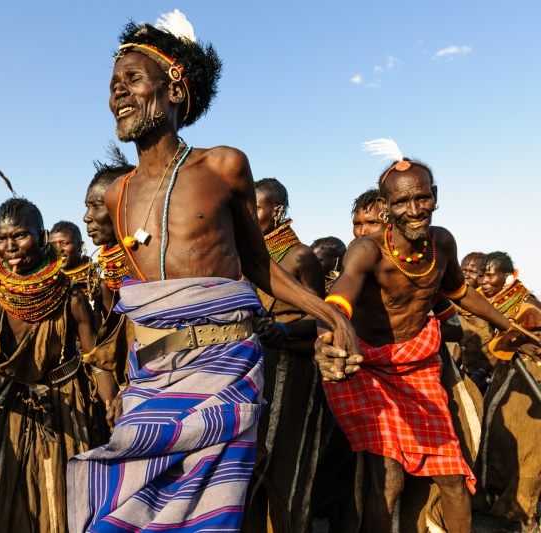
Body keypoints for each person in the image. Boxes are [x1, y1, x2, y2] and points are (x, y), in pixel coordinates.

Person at [68, 11, 360, 533]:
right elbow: (138, 291)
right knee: (121, 508)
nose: (118, 93)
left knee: (214, 517)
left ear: (175, 87)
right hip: (152, 375)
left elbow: (256, 264)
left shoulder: (224, 166)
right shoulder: (117, 193)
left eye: (133, 79)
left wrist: (330, 317)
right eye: (113, 85)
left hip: (224, 367)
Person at [316, 140, 523, 533]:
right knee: (389, 477)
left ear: (435, 196)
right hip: (371, 367)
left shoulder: (441, 242)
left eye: (422, 198)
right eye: (400, 203)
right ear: (385, 204)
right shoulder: (366, 251)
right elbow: (339, 300)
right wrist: (328, 337)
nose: (414, 211)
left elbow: (460, 292)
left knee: (452, 477)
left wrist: (505, 323)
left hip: (421, 366)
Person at [0, 191, 103, 532]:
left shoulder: (71, 297)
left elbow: (96, 359)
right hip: (9, 403)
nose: (9, 246)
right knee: (1, 493)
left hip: (66, 401)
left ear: (41, 239)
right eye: (1, 239)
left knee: (62, 495)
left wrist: (112, 402)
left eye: (20, 236)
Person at [247, 177, 327, 532]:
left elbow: (322, 316)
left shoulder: (300, 257)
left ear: (277, 211)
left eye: (256, 207)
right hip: (253, 364)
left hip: (292, 366)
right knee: (251, 456)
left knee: (285, 455)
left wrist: (283, 330)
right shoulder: (245, 254)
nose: (248, 214)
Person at [473, 251, 541, 533]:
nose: (485, 280)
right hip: (506, 376)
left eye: (491, 275)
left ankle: (525, 518)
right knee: (496, 434)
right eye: (482, 275)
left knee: (527, 447)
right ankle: (495, 502)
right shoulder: (492, 304)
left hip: (531, 379)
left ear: (508, 276)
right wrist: (484, 372)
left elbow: (520, 341)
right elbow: (502, 345)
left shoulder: (530, 307)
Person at [82, 146, 136, 393]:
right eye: (87, 207)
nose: (86, 217)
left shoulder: (159, 267)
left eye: (96, 206)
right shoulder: (105, 283)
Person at [454, 252, 493, 379]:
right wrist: (454, 369)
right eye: (462, 270)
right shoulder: (457, 303)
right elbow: (461, 344)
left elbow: (505, 348)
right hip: (469, 374)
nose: (465, 275)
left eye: (472, 271)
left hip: (492, 375)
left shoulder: (493, 305)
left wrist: (482, 372)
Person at [50, 221, 101, 307]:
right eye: (52, 245)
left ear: (80, 246)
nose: (58, 249)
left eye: (64, 243)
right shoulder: (47, 286)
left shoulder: (98, 286)